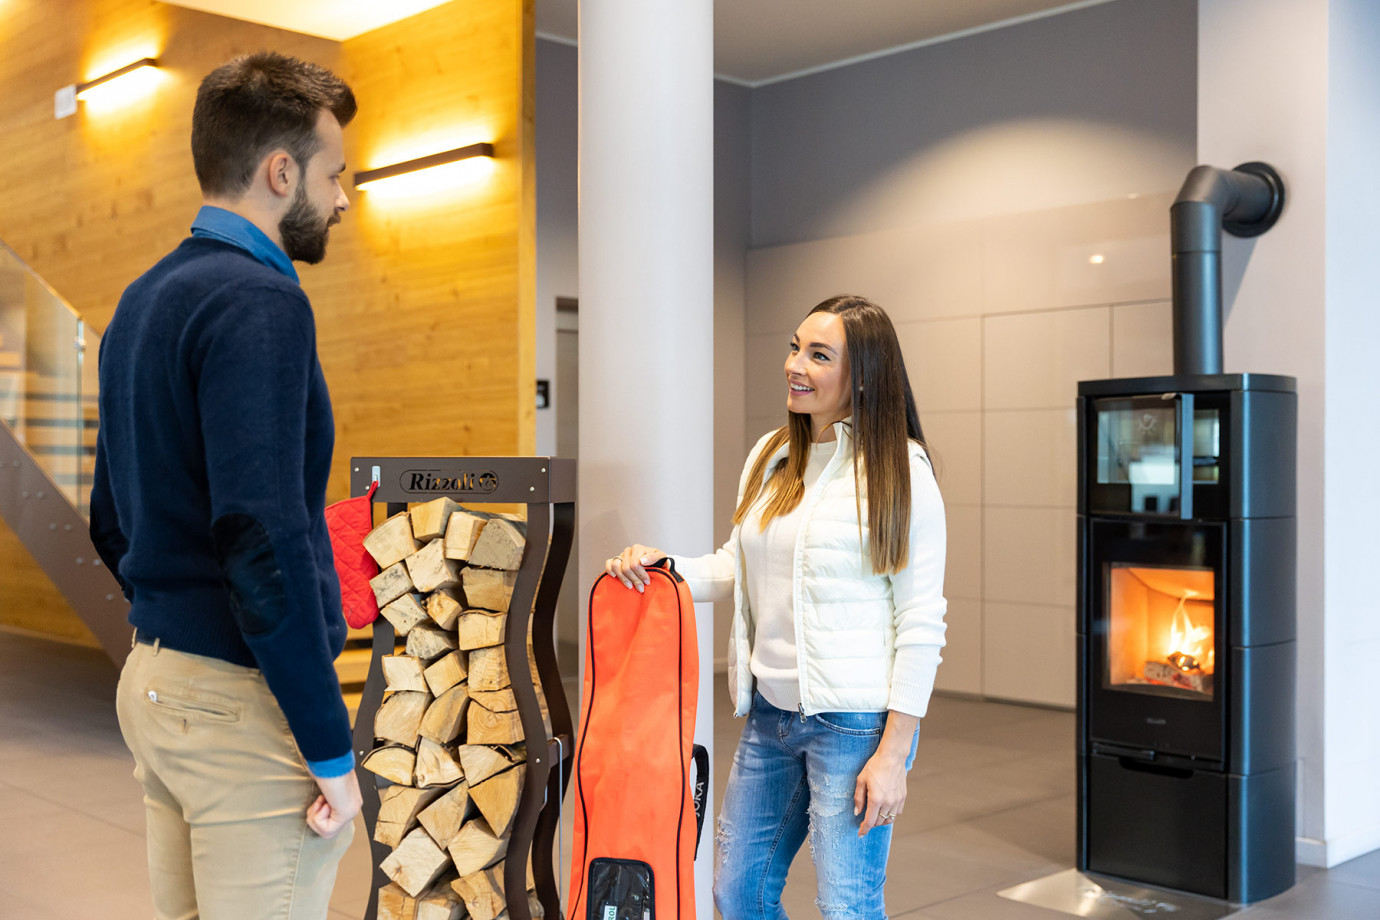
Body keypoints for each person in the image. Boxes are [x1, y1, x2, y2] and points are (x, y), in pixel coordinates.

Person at [88, 51, 361, 920]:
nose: (346, 198)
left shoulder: (144, 299)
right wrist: (328, 749)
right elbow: (260, 535)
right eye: (336, 174)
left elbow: (110, 516)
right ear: (282, 173)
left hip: (156, 684)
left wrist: (172, 613)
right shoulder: (259, 302)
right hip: (239, 706)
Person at [606, 295, 947, 920]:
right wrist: (666, 567)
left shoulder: (900, 470)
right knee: (737, 894)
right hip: (770, 718)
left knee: (846, 907)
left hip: (854, 726)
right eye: (795, 347)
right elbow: (737, 563)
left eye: (820, 355)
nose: (797, 365)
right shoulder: (772, 456)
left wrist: (894, 753)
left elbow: (921, 620)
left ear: (863, 374)